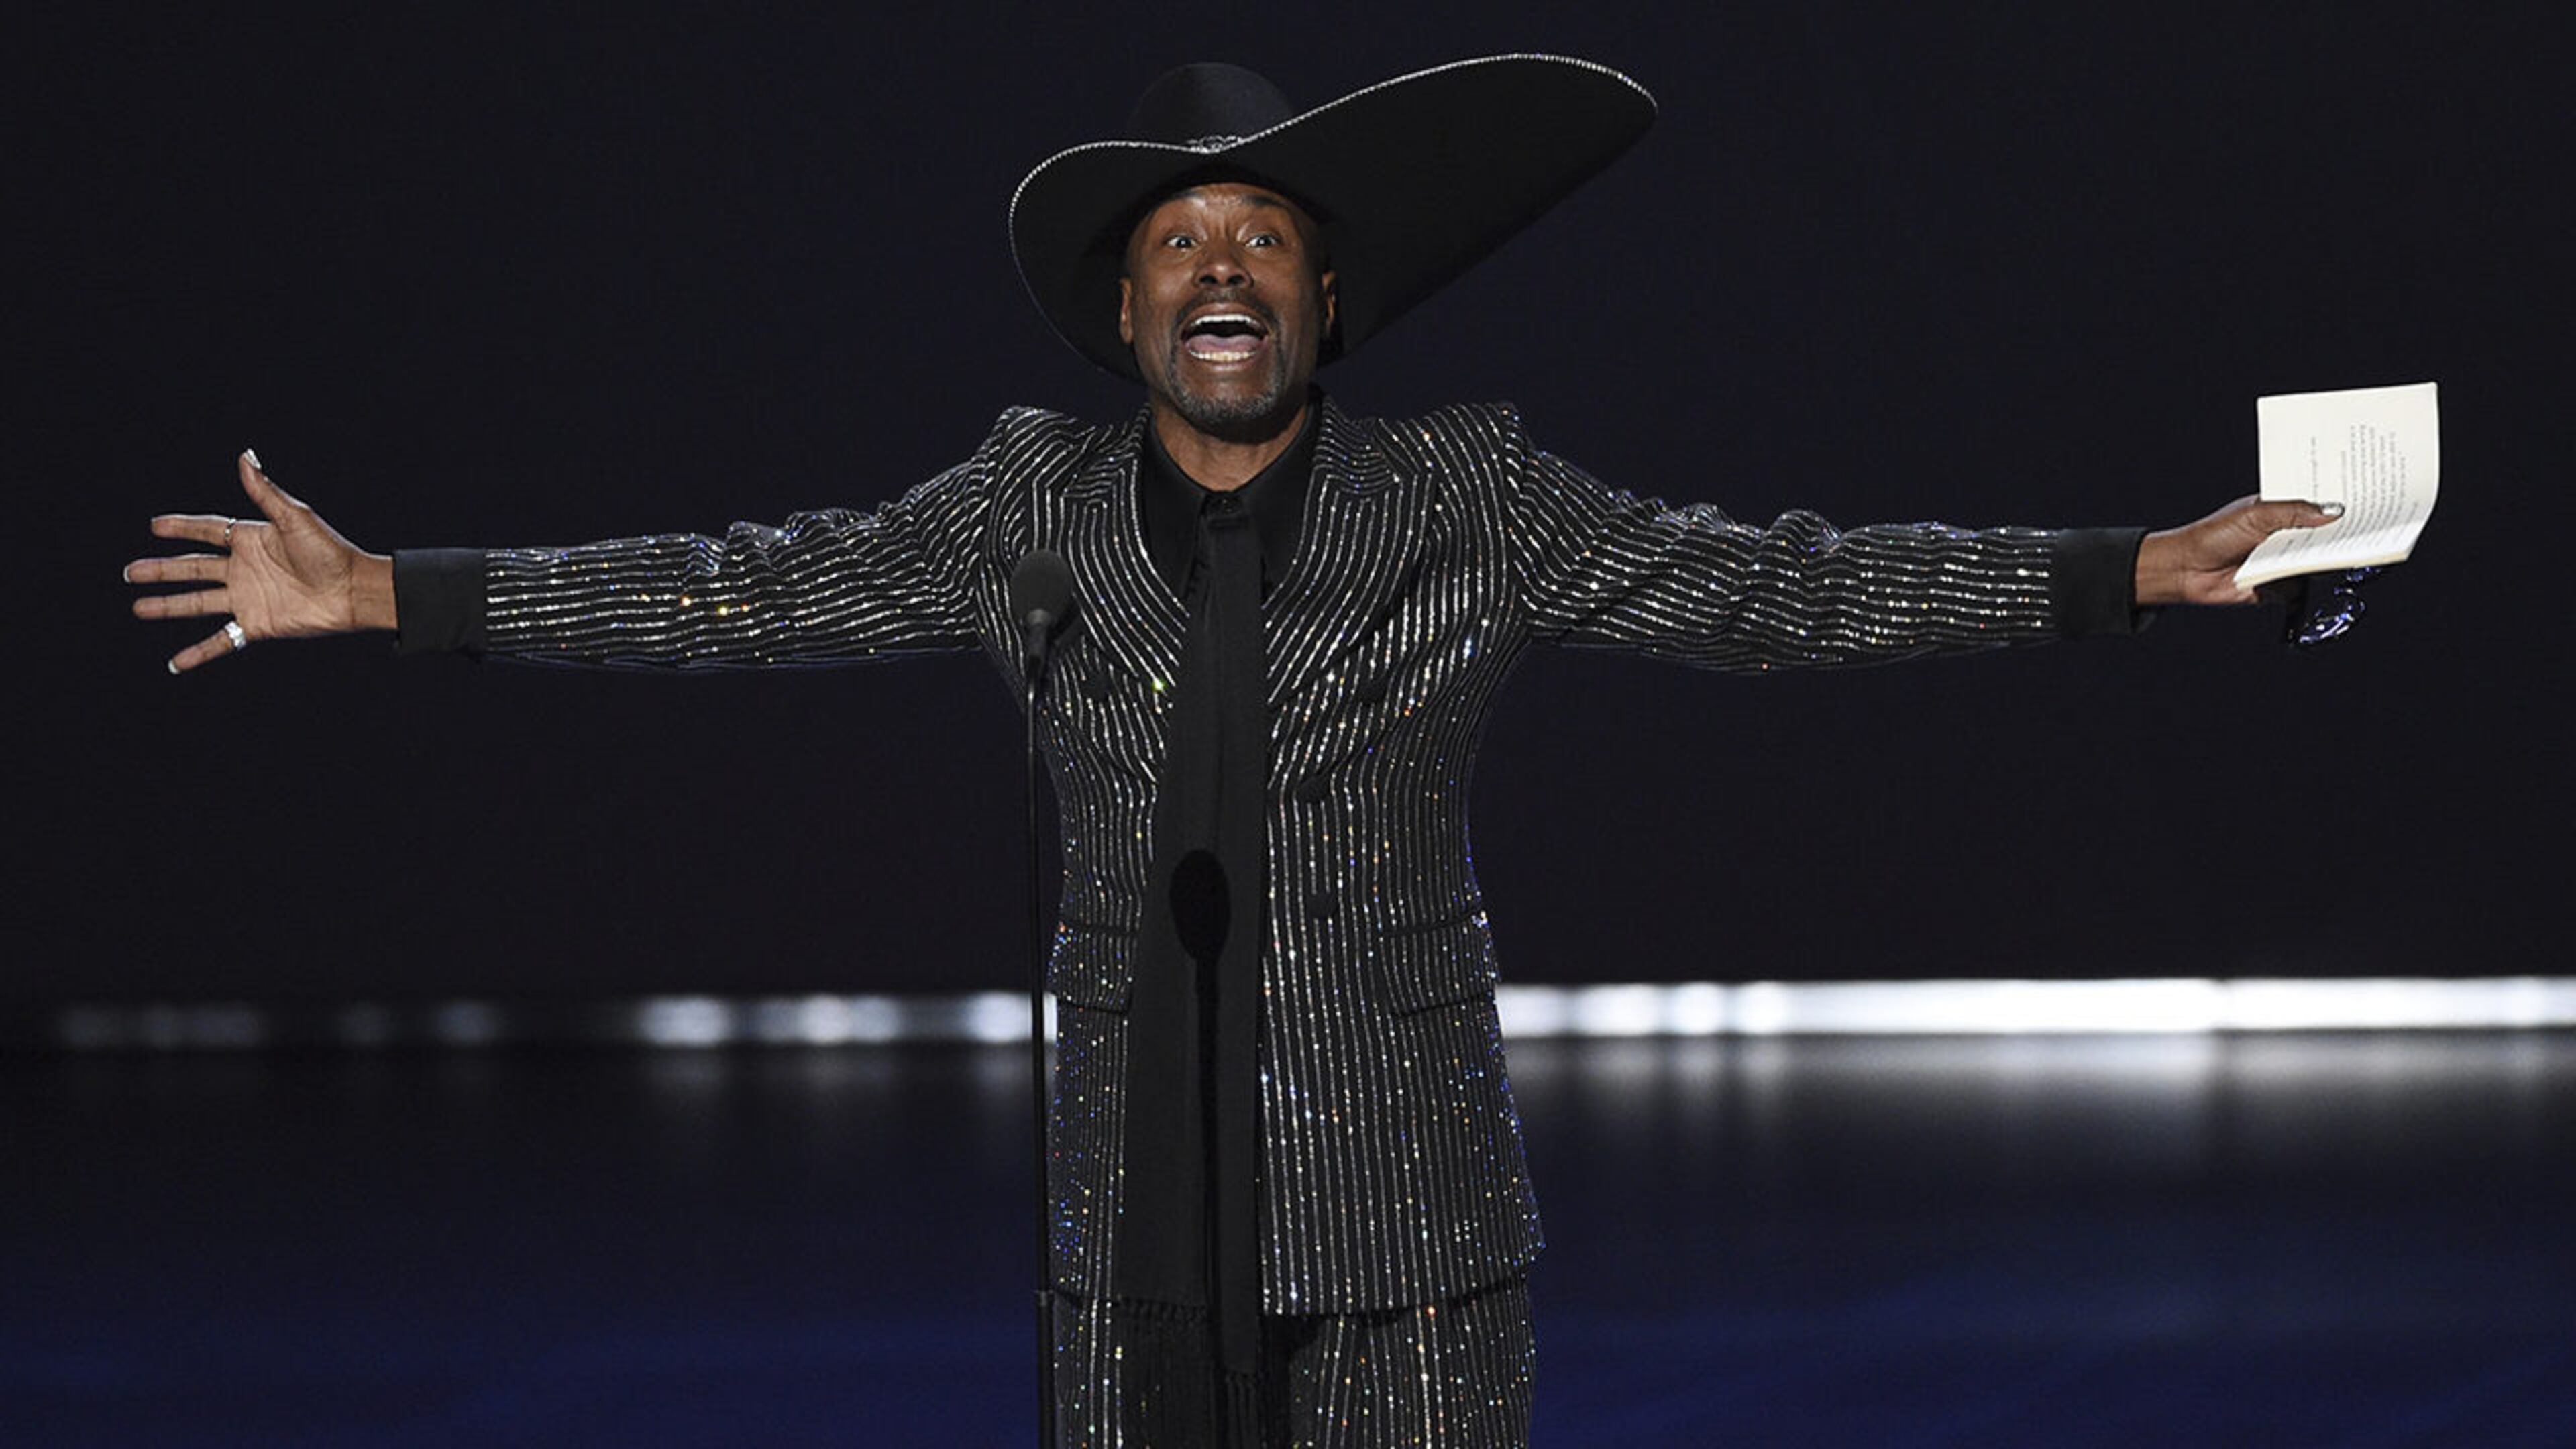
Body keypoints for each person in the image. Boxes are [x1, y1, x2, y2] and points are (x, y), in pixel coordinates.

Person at [127, 56, 2337, 1448]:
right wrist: (390, 587)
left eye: (1263, 240)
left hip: (1403, 1242)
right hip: (1130, 1250)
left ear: (1326, 306)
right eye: (1180, 240)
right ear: (1125, 315)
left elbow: (1778, 587)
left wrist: (2127, 566)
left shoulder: (1465, 495)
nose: (1220, 267)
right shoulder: (1024, 508)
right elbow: (746, 590)